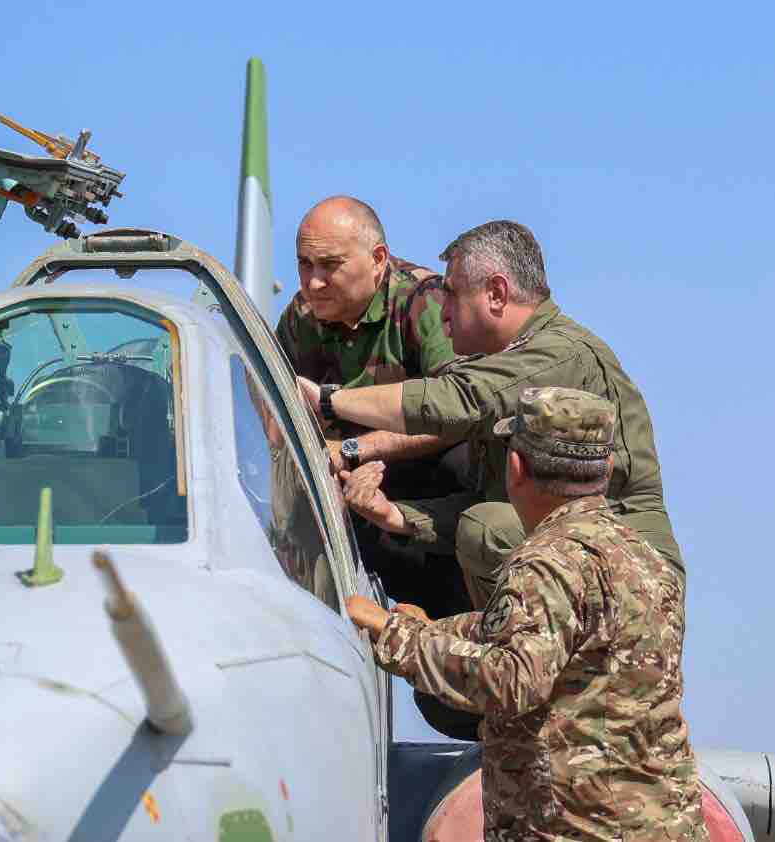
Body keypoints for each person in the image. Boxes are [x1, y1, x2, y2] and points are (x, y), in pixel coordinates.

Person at [346, 387, 705, 841]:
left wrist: (397, 635)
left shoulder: (546, 562)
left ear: (515, 467)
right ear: (607, 468)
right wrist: (434, 629)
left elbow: (511, 679)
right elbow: (551, 634)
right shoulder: (644, 559)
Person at [303, 219, 683, 608]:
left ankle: (506, 643)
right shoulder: (512, 361)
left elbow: (459, 400)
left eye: (452, 294)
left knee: (485, 528)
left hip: (636, 575)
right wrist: (396, 516)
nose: (443, 312)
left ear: (497, 294)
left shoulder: (558, 354)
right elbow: (495, 500)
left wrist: (329, 401)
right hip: (593, 557)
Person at [276, 196, 467, 606]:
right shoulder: (300, 318)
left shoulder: (425, 302)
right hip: (343, 490)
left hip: (427, 491)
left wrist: (352, 450)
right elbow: (274, 421)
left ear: (377, 259)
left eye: (330, 265)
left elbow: (460, 412)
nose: (313, 283)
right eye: (304, 265)